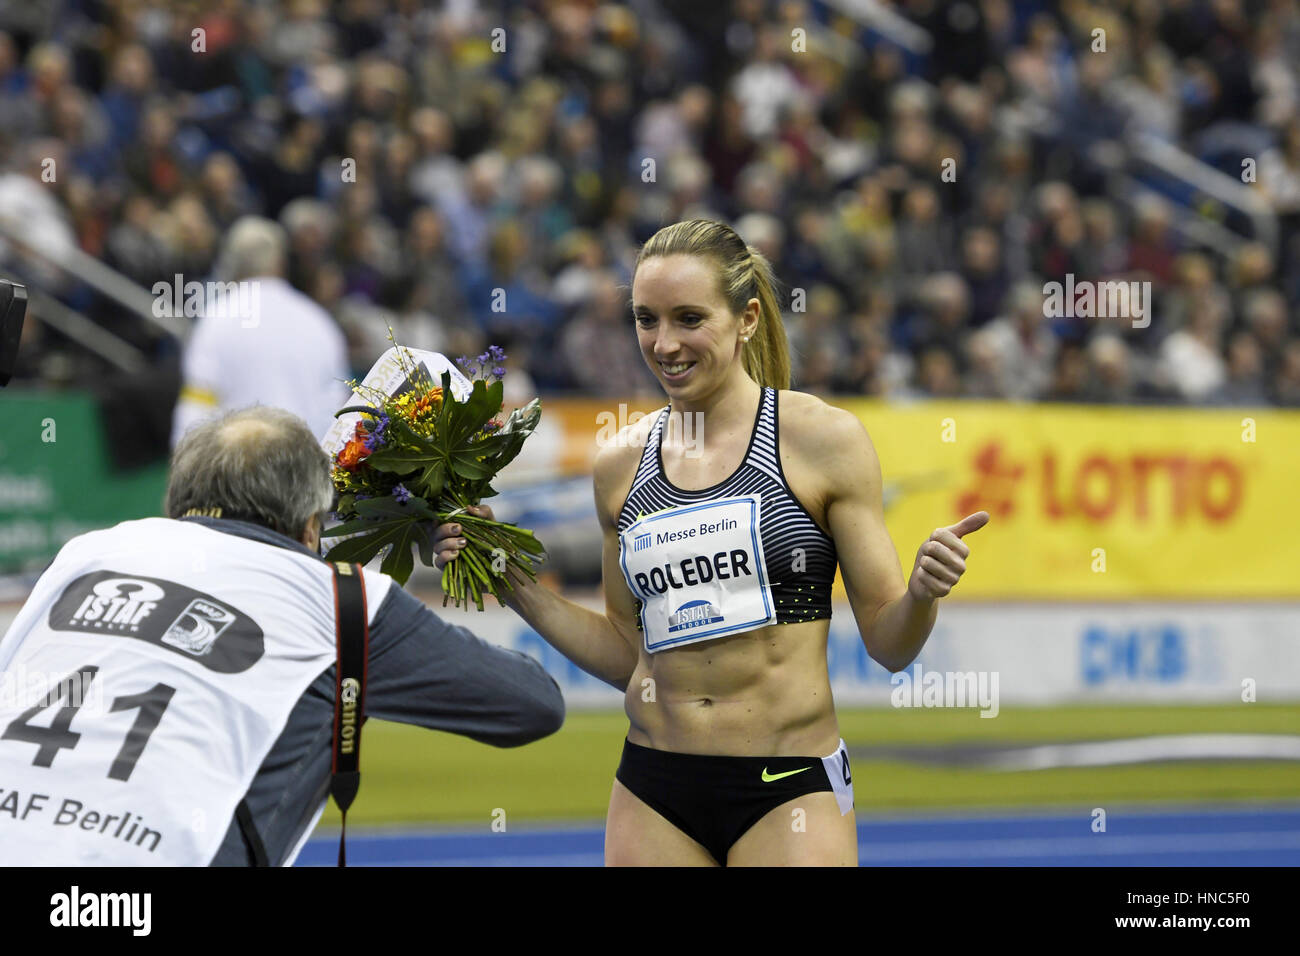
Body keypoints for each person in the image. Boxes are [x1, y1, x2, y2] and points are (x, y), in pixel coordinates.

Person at [436, 219, 989, 866]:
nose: (664, 343)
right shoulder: (620, 465)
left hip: (786, 790)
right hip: (654, 789)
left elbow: (891, 645)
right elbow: (627, 655)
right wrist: (511, 582)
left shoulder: (822, 442)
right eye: (647, 319)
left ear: (747, 318)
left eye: (688, 318)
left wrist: (921, 593)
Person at [0, 407, 564, 866]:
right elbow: (534, 703)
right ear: (311, 526)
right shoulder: (342, 597)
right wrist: (490, 557)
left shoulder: (89, 552)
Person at [170, 216, 352, 446]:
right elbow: (338, 407)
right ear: (280, 263)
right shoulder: (318, 322)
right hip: (311, 468)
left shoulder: (217, 320)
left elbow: (195, 411)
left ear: (231, 262)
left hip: (243, 473)